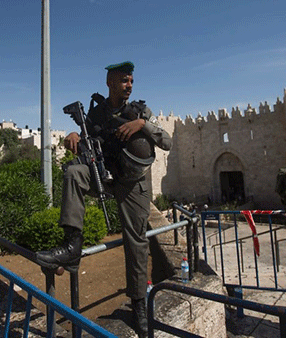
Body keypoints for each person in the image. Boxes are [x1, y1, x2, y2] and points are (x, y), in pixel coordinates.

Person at [36, 61, 172, 337]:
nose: (129, 85)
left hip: (134, 183)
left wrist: (142, 125)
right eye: (124, 80)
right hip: (105, 176)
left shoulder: (140, 111)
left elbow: (166, 141)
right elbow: (86, 144)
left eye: (131, 80)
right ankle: (72, 245)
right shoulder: (96, 114)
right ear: (110, 83)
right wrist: (73, 136)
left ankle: (138, 304)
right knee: (73, 172)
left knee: (136, 241)